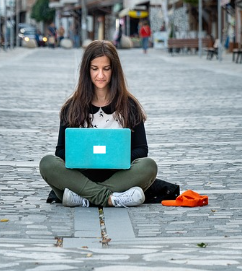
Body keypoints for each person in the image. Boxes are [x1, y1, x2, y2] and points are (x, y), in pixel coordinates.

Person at [39, 40, 157, 208]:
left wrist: (116, 158)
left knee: (148, 166)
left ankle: (85, 198)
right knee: (47, 163)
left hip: (119, 176)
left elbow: (142, 149)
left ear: (114, 70)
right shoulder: (72, 107)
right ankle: (111, 199)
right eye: (95, 69)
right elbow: (60, 151)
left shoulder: (129, 105)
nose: (100, 75)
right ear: (87, 70)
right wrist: (84, 157)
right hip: (81, 177)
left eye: (106, 69)